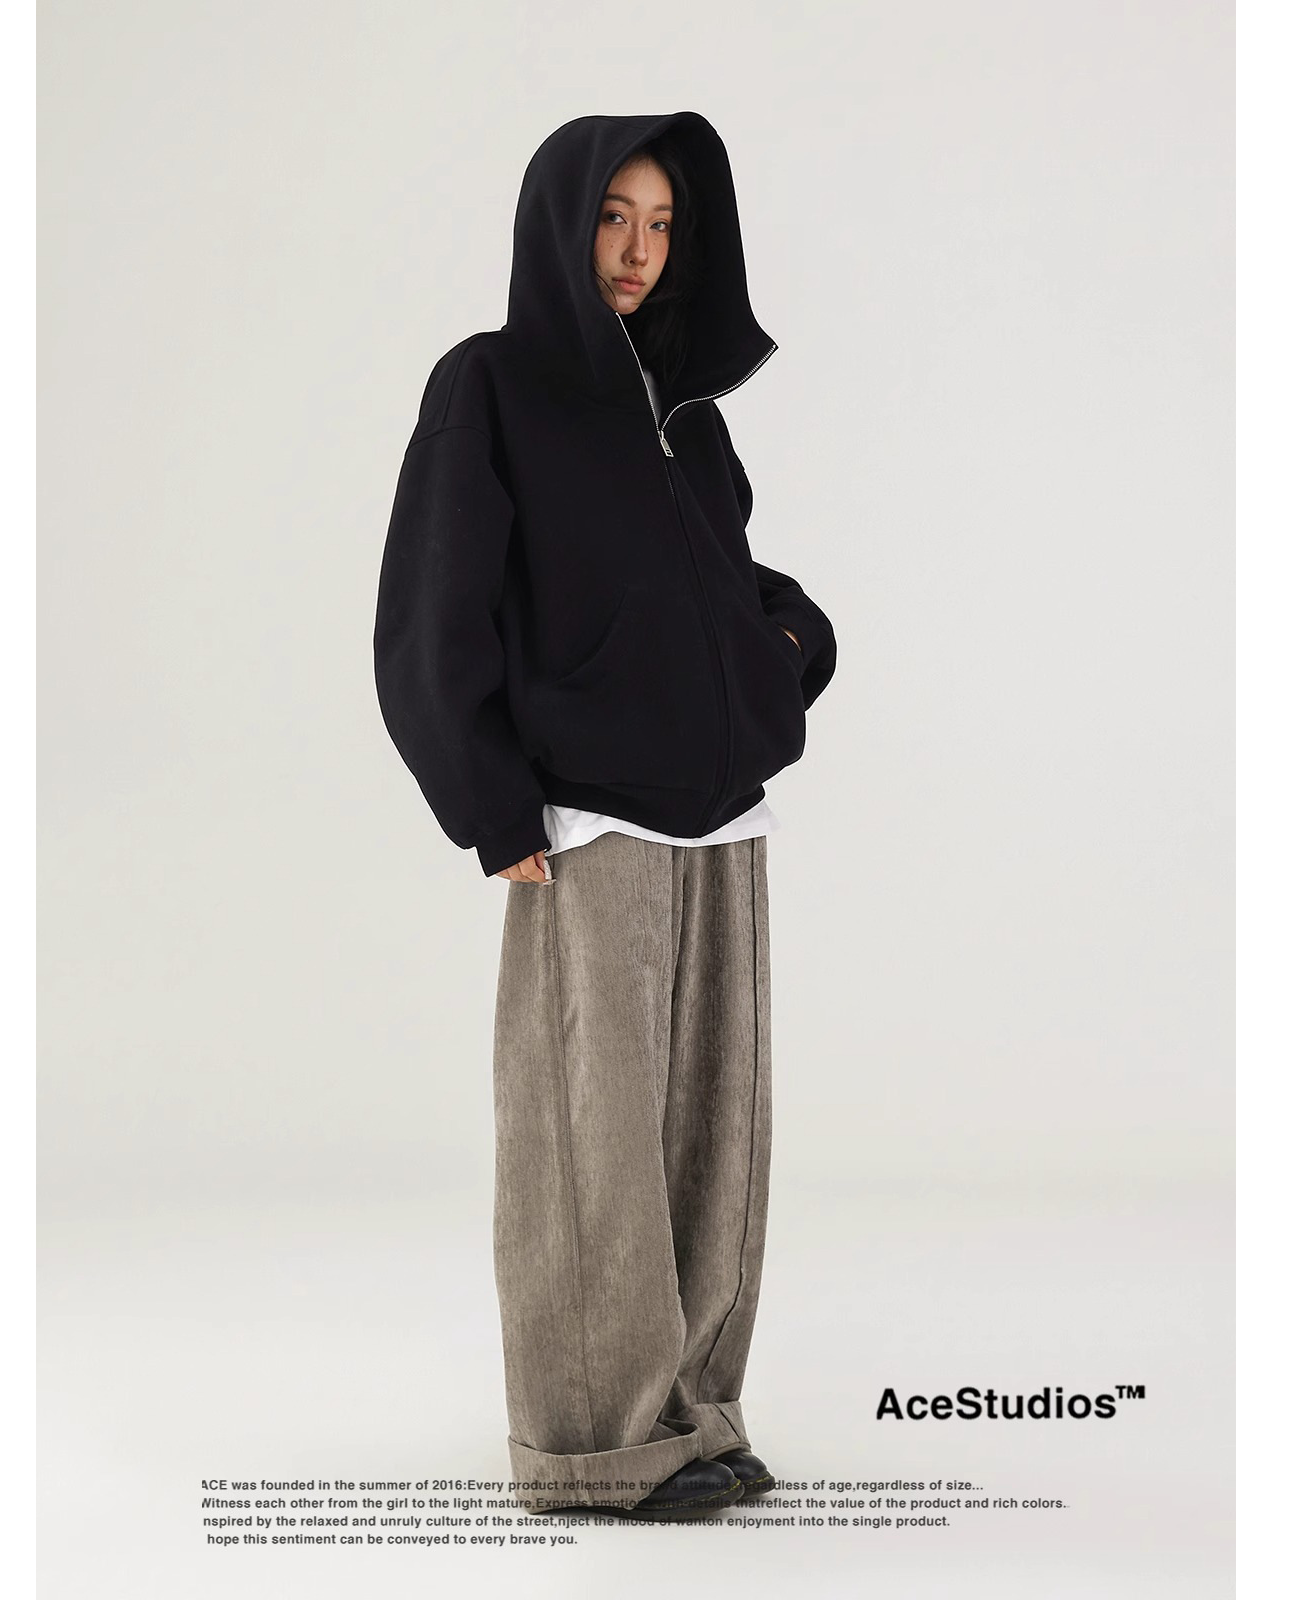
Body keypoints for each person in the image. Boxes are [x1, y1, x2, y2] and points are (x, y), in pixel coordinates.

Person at [373, 111, 838, 1520]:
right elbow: (431, 612)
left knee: (714, 1140)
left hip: (722, 821)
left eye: (663, 225)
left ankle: (691, 1416)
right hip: (583, 823)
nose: (638, 250)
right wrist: (487, 797)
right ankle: (592, 1444)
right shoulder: (492, 384)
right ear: (561, 223)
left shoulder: (686, 413)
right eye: (614, 218)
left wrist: (788, 647)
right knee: (591, 1139)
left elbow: (725, 583)